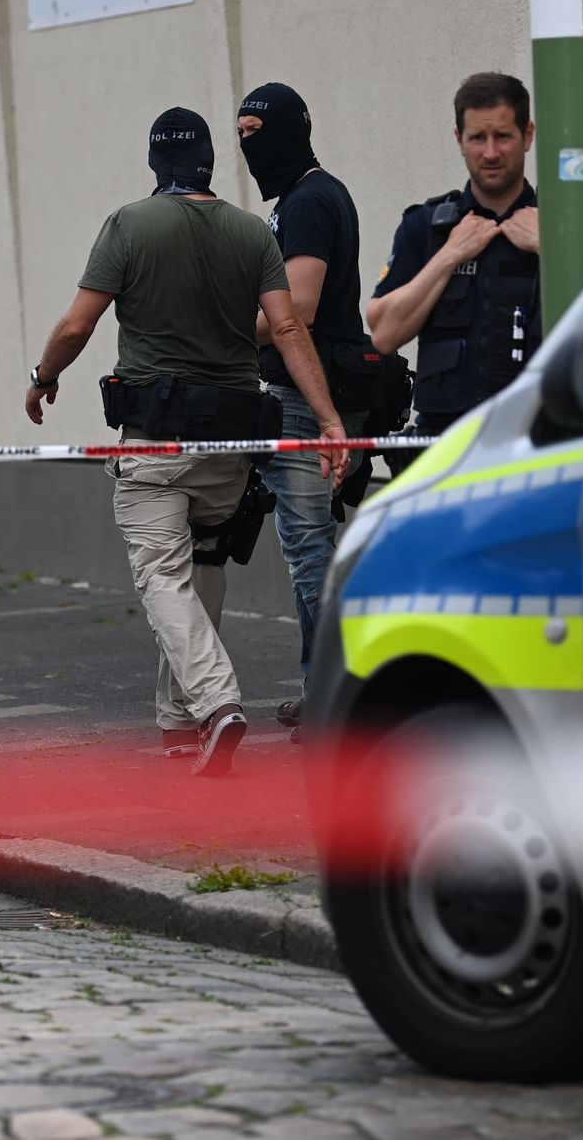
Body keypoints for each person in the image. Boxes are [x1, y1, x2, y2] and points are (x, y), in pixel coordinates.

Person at [25, 107, 347, 778]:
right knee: (203, 565)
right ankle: (177, 724)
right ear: (209, 160)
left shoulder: (128, 224)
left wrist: (44, 376)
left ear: (155, 164)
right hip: (231, 447)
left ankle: (216, 702)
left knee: (162, 577)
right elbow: (289, 331)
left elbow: (78, 323)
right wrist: (329, 419)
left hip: (156, 443)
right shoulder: (253, 232)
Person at [235, 82, 371, 738]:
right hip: (311, 396)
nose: (246, 145)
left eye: (256, 131)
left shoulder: (312, 201)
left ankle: (339, 697)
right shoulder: (306, 196)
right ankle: (325, 688)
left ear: (292, 129)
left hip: (305, 400)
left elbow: (302, 307)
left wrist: (227, 321)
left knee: (310, 552)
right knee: (312, 551)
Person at [369, 71, 583, 438]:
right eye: (478, 138)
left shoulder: (567, 227)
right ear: (459, 140)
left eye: (503, 137)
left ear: (527, 135)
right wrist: (450, 255)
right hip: (451, 443)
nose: (491, 152)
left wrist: (553, 247)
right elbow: (384, 333)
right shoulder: (426, 227)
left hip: (545, 437)